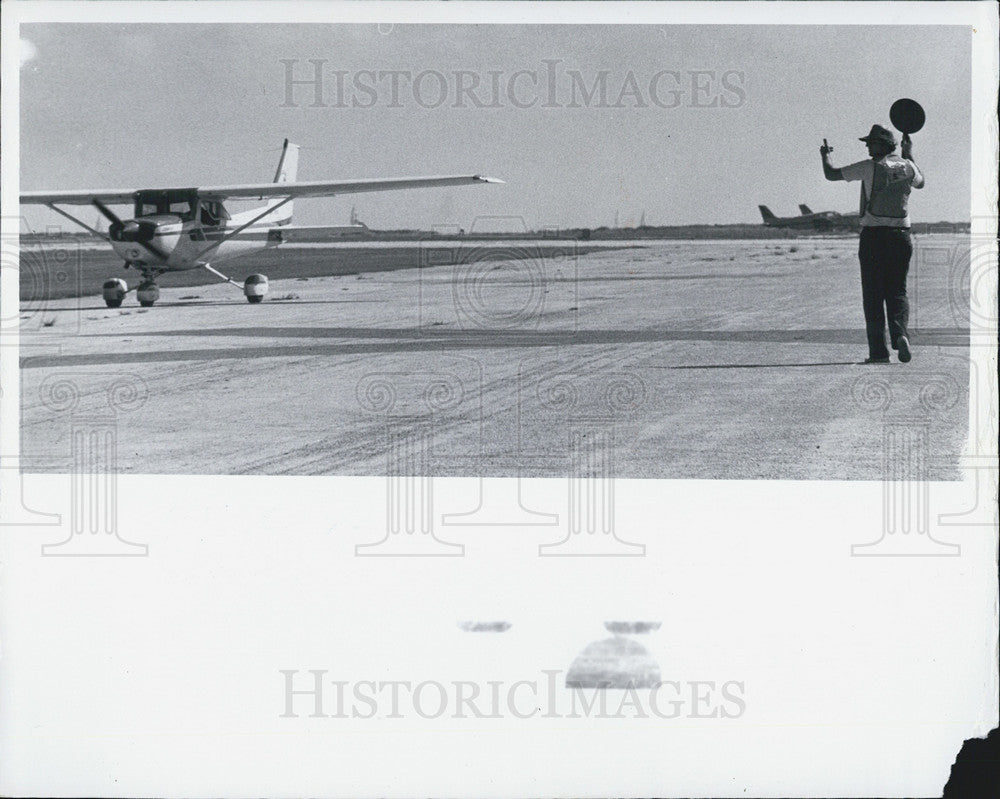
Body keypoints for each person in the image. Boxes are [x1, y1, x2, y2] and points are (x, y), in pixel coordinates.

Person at [821, 124, 924, 363]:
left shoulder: (869, 167)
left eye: (871, 142)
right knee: (898, 290)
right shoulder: (907, 166)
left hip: (874, 238)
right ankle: (900, 335)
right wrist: (909, 153)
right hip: (901, 236)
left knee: (873, 295)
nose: (867, 146)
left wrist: (825, 154)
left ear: (883, 145)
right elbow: (921, 182)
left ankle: (878, 353)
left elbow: (831, 174)